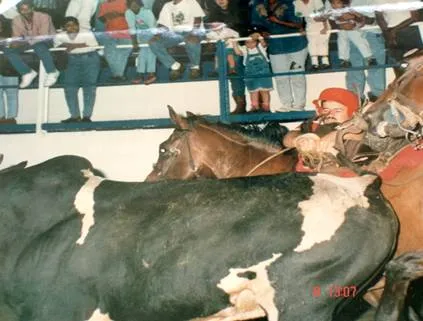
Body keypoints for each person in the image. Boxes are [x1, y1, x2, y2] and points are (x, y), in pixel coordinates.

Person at [252, 0, 308, 112]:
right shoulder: (258, 5)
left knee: (297, 76)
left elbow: (299, 24)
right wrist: (263, 32)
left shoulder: (292, 2)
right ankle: (286, 104)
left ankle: (299, 104)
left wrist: (278, 21)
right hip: (275, 47)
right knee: (280, 77)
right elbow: (256, 24)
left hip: (296, 45)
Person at [205, 0, 250, 113]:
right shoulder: (213, 14)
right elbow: (209, 33)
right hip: (222, 48)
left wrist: (234, 41)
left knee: (235, 75)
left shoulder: (240, 10)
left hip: (237, 46)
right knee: (227, 75)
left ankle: (241, 104)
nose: (220, 0)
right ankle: (238, 104)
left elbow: (244, 29)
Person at [3, 0, 60, 89]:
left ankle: (52, 71)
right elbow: (17, 37)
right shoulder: (16, 19)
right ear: (18, 10)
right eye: (22, 10)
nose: (25, 12)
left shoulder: (44, 16)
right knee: (8, 50)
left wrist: (24, 41)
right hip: (29, 41)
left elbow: (43, 36)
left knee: (39, 46)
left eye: (27, 9)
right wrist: (14, 43)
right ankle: (27, 72)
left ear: (32, 8)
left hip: (48, 40)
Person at [55, 16, 100, 123]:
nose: (72, 28)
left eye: (74, 25)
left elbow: (94, 45)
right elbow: (57, 47)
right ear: (63, 27)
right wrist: (75, 45)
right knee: (70, 89)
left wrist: (71, 46)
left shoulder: (86, 32)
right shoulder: (59, 35)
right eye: (68, 25)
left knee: (89, 88)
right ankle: (75, 116)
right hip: (72, 61)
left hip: (89, 59)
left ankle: (86, 117)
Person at [148, 0, 205, 81]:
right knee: (153, 42)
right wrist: (157, 35)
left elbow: (198, 19)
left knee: (191, 41)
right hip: (176, 33)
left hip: (194, 30)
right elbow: (162, 24)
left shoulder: (191, 2)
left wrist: (193, 33)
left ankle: (195, 67)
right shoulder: (167, 6)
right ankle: (175, 66)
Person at [283, 87, 359, 147]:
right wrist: (298, 140)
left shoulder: (356, 125)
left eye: (337, 110)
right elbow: (287, 139)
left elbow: (361, 135)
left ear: (352, 113)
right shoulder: (314, 123)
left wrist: (337, 135)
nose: (330, 114)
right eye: (326, 110)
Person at [375, 0, 422, 76]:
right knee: (399, 68)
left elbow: (415, 17)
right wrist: (387, 34)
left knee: (415, 65)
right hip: (392, 34)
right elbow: (379, 18)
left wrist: (393, 31)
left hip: (410, 32)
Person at [326, 0, 377, 68]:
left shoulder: (347, 9)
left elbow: (359, 16)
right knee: (341, 41)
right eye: (333, 3)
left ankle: (369, 57)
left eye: (338, 3)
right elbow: (329, 20)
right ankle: (344, 60)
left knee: (358, 40)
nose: (335, 5)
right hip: (342, 29)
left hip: (352, 28)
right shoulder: (332, 12)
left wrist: (356, 18)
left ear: (343, 3)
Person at [232, 32, 273, 112]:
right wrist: (234, 43)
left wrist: (259, 37)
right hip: (250, 74)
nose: (250, 44)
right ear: (244, 43)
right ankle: (255, 106)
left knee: (264, 91)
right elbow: (237, 52)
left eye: (252, 42)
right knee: (253, 91)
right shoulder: (244, 49)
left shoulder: (260, 47)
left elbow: (264, 44)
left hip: (263, 73)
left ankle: (266, 106)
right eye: (247, 42)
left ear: (256, 42)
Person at [98, 0, 132, 81]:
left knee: (125, 50)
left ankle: (117, 75)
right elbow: (101, 18)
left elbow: (133, 13)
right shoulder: (103, 4)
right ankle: (119, 74)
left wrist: (119, 14)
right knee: (108, 52)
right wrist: (107, 16)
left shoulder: (125, 1)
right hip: (110, 33)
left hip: (125, 31)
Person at [125, 0, 157, 85]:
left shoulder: (147, 12)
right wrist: (134, 42)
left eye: (136, 5)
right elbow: (132, 28)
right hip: (141, 34)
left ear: (140, 5)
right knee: (142, 52)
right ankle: (140, 74)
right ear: (129, 6)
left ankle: (151, 74)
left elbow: (153, 27)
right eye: (132, 5)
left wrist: (154, 39)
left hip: (153, 32)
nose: (134, 7)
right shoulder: (128, 13)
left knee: (151, 49)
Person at [294, 0, 331, 70]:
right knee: (311, 44)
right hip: (310, 25)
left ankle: (325, 63)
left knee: (322, 43)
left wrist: (325, 27)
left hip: (322, 23)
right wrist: (302, 28)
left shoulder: (317, 1)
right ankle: (314, 64)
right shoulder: (297, 2)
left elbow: (323, 14)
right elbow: (299, 16)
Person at [0, 15, 19, 124]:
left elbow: (16, 43)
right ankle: (1, 117)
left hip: (11, 65)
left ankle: (11, 117)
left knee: (12, 92)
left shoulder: (11, 31)